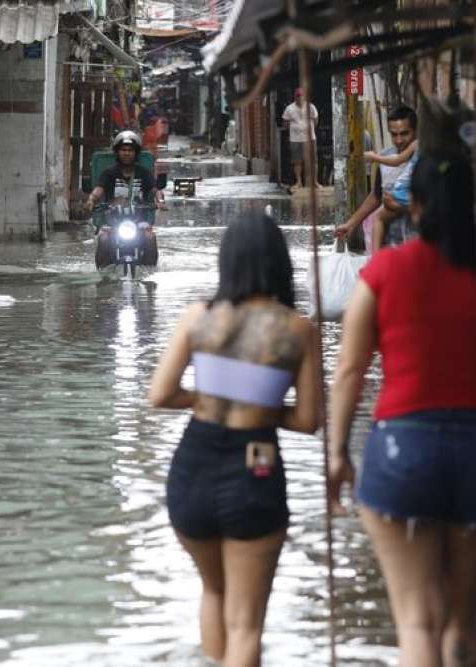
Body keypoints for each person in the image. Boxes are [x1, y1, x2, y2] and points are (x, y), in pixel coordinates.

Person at [327, 154, 476, 666]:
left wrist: (337, 451)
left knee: (417, 624)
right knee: (463, 626)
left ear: (414, 207)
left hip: (403, 452)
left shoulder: (382, 273)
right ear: (472, 203)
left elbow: (350, 373)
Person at [148, 214, 321, 666]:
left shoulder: (198, 318)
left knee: (213, 591)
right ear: (280, 263)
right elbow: (307, 420)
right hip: (254, 465)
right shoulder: (297, 329)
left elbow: (160, 394)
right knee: (246, 624)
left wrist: (209, 396)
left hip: (194, 465)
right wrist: (258, 405)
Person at [335, 105, 418, 251]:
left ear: (415, 131)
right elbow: (376, 196)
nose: (399, 140)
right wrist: (351, 224)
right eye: (394, 135)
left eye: (404, 134)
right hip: (389, 243)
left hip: (418, 242)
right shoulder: (384, 157)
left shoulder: (426, 160)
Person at [87, 130, 164, 268]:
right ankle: (103, 276)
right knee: (103, 238)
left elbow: (155, 190)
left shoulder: (143, 173)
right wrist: (91, 200)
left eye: (130, 150)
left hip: (139, 222)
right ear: (117, 152)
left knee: (150, 237)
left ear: (136, 153)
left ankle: (150, 273)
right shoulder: (109, 173)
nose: (127, 153)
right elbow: (99, 189)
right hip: (113, 222)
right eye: (123, 150)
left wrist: (160, 201)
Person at [281, 87, 320, 189]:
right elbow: (285, 123)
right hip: (295, 139)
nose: (299, 98)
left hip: (310, 138)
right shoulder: (289, 109)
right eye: (298, 96)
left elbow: (316, 121)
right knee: (297, 161)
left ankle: (314, 181)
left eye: (301, 96)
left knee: (313, 160)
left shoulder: (310, 107)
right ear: (295, 97)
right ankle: (299, 182)